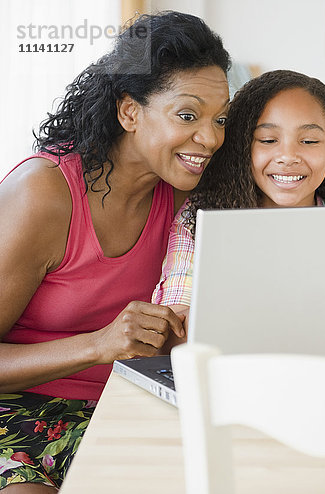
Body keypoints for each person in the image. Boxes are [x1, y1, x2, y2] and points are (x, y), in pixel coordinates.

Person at [0, 11, 230, 492]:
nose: (209, 138)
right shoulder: (42, 194)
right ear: (129, 112)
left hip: (130, 409)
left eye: (219, 119)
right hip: (17, 415)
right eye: (187, 115)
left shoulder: (185, 191)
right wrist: (100, 345)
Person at [152, 69, 325, 317]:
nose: (288, 157)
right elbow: (175, 319)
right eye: (268, 140)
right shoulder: (200, 220)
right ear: (243, 149)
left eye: (309, 141)